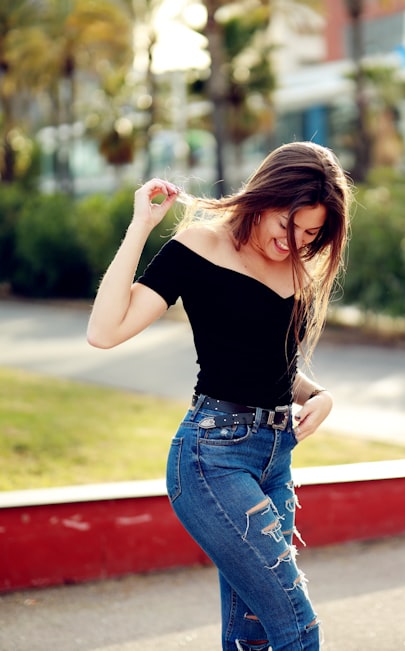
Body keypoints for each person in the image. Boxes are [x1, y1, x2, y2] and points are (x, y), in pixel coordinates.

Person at [86, 141, 351, 651]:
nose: (293, 242)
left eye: (311, 233)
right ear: (264, 197)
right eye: (287, 225)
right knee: (297, 628)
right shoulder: (198, 248)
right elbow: (104, 331)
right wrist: (140, 226)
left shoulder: (296, 268)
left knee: (250, 636)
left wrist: (318, 394)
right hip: (213, 458)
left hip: (275, 460)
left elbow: (272, 365)